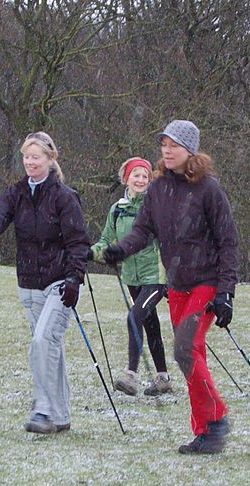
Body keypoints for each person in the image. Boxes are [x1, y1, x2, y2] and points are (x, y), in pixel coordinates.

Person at [104, 120, 238, 454]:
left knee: (184, 349)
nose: (166, 149)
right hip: (177, 284)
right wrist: (120, 249)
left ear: (190, 149)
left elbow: (228, 242)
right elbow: (142, 230)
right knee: (192, 355)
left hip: (207, 283)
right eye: (164, 143)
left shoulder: (209, 189)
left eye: (174, 144)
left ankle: (217, 418)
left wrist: (226, 292)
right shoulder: (159, 188)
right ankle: (206, 432)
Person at [0, 131, 90, 434]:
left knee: (42, 342)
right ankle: (60, 415)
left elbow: (78, 242)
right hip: (28, 282)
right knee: (49, 345)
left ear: (50, 159)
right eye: (26, 157)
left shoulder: (64, 197)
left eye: (36, 157)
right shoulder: (17, 193)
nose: (30, 162)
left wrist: (74, 278)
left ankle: (43, 410)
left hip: (59, 282)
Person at [89, 157, 171, 396]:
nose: (141, 180)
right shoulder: (118, 209)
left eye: (145, 176)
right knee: (150, 323)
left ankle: (131, 375)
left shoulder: (155, 206)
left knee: (134, 316)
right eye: (136, 175)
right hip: (131, 277)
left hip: (156, 275)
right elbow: (106, 240)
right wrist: (91, 252)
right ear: (127, 178)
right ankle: (163, 377)